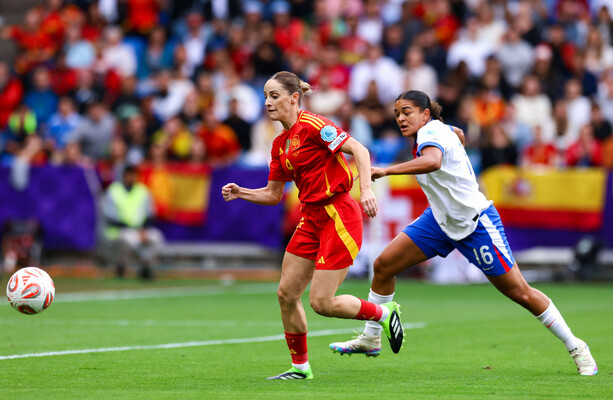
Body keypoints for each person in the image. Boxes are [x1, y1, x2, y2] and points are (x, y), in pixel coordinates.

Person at [329, 90, 598, 376]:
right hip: (439, 220)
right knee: (384, 265)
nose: (401, 119)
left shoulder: (431, 131)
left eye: (407, 112)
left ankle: (577, 347)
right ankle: (371, 338)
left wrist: (386, 171)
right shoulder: (438, 130)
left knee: (520, 292)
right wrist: (456, 144)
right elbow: (458, 134)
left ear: (425, 114)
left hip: (475, 223)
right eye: (397, 114)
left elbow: (433, 161)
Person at [221, 71, 403, 380]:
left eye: (274, 96)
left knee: (321, 302)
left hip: (338, 215)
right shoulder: (279, 144)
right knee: (286, 293)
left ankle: (384, 313)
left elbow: (359, 150)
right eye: (265, 97)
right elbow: (273, 194)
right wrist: (242, 193)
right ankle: (300, 368)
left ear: (294, 98)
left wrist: (366, 190)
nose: (268, 102)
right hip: (310, 218)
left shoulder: (314, 126)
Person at [101, 165, 164, 280]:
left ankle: (145, 266)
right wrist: (132, 228)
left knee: (156, 237)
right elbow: (109, 217)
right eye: (128, 175)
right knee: (130, 239)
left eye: (133, 175)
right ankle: (124, 265)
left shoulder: (142, 191)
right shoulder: (114, 191)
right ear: (123, 176)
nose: (131, 177)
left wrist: (143, 230)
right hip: (120, 230)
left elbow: (150, 215)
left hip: (139, 230)